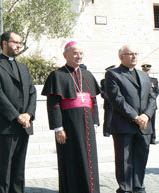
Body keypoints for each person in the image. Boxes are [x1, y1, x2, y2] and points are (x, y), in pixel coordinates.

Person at [42, 41, 101, 193]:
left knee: (90, 160)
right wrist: (58, 127)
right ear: (65, 55)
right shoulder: (57, 75)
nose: (78, 56)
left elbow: (93, 101)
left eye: (80, 53)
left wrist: (95, 123)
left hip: (87, 125)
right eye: (75, 53)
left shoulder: (87, 74)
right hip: (69, 125)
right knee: (71, 160)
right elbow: (53, 104)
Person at [0, 31, 36, 193]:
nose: (19, 45)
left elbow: (32, 92)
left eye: (20, 43)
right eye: (15, 42)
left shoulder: (23, 67)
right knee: (4, 167)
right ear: (5, 44)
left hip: (24, 125)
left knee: (19, 169)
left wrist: (28, 114)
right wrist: (16, 116)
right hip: (6, 125)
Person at [105, 45, 156, 193]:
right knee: (124, 161)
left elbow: (152, 98)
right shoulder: (113, 74)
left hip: (144, 125)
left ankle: (139, 187)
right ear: (121, 57)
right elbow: (117, 99)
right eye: (130, 54)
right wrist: (135, 117)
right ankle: (125, 189)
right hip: (124, 125)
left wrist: (146, 115)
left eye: (136, 53)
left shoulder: (144, 75)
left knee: (141, 159)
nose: (134, 56)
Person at [141, 63, 159, 145]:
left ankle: (152, 138)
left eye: (147, 70)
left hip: (152, 105)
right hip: (142, 105)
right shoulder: (140, 79)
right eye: (144, 70)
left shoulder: (154, 80)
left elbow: (157, 91)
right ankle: (144, 138)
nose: (146, 71)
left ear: (150, 70)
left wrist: (152, 99)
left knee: (152, 122)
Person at [101, 65, 116, 137]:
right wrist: (109, 98)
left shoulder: (117, 79)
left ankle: (114, 130)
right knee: (108, 118)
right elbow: (103, 92)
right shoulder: (103, 81)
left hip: (117, 102)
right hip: (108, 102)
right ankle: (106, 132)